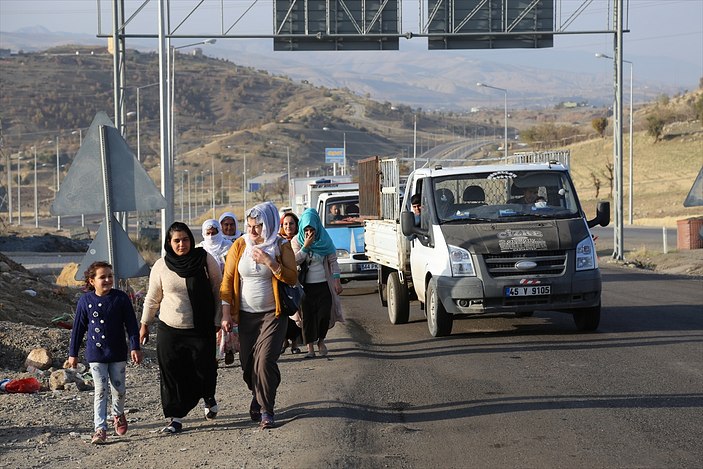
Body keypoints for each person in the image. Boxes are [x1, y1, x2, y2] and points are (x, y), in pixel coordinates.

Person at [220, 201, 298, 429]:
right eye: (250, 225)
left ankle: (267, 410)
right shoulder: (239, 245)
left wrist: (270, 263)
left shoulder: (281, 245)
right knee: (247, 364)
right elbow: (227, 280)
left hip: (273, 315)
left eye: (258, 226)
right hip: (245, 317)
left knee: (265, 362)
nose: (253, 231)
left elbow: (292, 278)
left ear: (270, 224)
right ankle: (260, 390)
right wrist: (226, 313)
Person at [140, 222, 222, 434]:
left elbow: (218, 289)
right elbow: (152, 298)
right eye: (176, 240)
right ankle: (174, 418)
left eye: (185, 240)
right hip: (170, 327)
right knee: (171, 372)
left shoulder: (203, 259)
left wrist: (218, 318)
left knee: (203, 370)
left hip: (200, 326)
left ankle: (208, 396)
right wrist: (145, 324)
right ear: (169, 242)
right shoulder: (161, 266)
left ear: (191, 240)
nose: (181, 244)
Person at [68, 261, 143, 445]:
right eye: (103, 277)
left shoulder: (121, 298)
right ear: (92, 281)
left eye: (110, 276)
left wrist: (135, 346)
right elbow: (78, 329)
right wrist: (73, 353)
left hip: (117, 352)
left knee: (119, 389)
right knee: (100, 390)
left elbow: (132, 325)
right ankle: (100, 428)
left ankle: (117, 414)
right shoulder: (85, 301)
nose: (108, 280)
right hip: (96, 354)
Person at [291, 208, 344, 359]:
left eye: (312, 229)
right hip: (305, 287)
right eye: (306, 229)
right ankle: (310, 347)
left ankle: (321, 340)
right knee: (307, 317)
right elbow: (295, 260)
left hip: (323, 285)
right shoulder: (297, 241)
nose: (309, 232)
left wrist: (337, 280)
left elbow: (333, 261)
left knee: (323, 316)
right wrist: (306, 245)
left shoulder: (325, 240)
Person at [279, 211, 303, 355]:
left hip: (297, 282)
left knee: (296, 312)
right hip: (282, 281)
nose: (288, 227)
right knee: (284, 313)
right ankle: (283, 341)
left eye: (291, 224)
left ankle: (295, 342)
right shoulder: (277, 240)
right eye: (285, 224)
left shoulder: (299, 240)